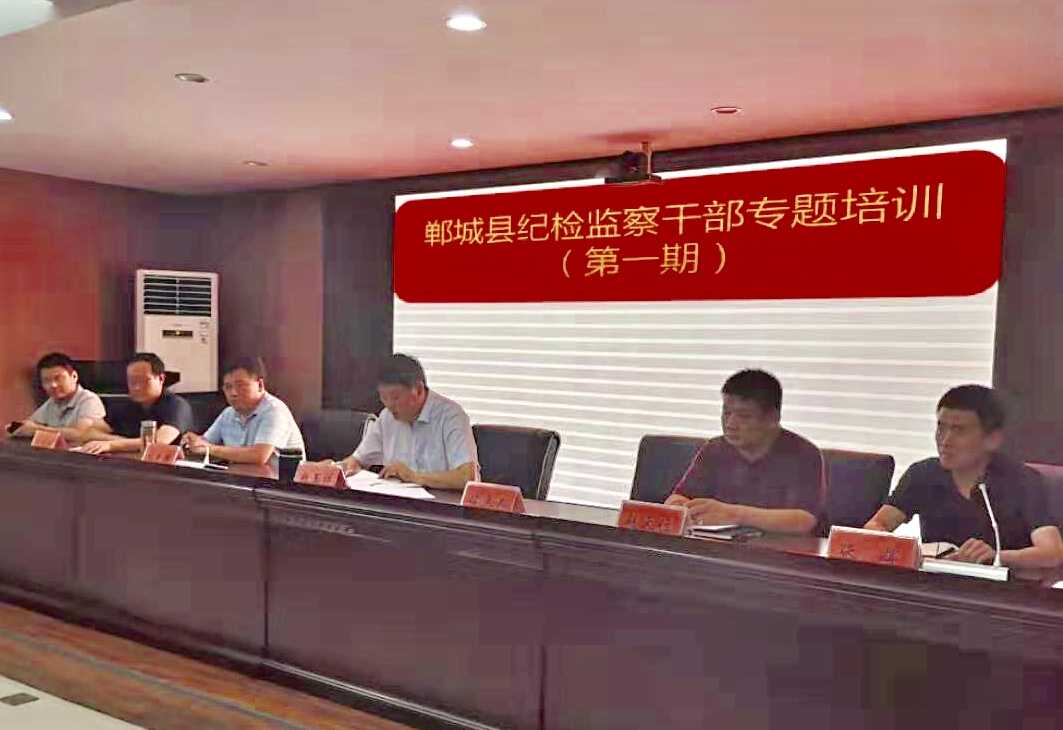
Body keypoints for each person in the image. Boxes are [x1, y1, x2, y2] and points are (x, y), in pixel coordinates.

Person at [864, 385, 1063, 568]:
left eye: (959, 431)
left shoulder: (1023, 481)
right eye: (941, 428)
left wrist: (996, 556)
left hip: (999, 588)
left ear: (992, 439)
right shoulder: (923, 474)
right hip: (936, 583)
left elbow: (1052, 552)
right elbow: (877, 524)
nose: (945, 441)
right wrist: (878, 536)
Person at [664, 369, 824, 534]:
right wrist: (678, 507)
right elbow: (679, 496)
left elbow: (804, 520)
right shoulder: (715, 448)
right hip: (717, 543)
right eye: (726, 413)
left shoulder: (803, 453)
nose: (730, 424)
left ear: (772, 418)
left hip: (779, 548)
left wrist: (734, 514)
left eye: (744, 416)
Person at [330, 354, 479, 490]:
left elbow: (467, 477)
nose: (389, 405)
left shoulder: (451, 416)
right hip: (397, 504)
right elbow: (356, 460)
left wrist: (413, 476)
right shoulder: (386, 417)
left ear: (418, 390)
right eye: (383, 397)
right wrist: (336, 468)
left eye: (395, 397)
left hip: (441, 506)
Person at [181, 357, 304, 466]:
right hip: (242, 479)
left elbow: (259, 456)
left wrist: (210, 448)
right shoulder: (228, 413)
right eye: (228, 387)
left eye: (241, 385)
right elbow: (205, 443)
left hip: (280, 482)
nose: (233, 393)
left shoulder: (274, 411)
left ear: (260, 385)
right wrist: (193, 442)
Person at [78, 353, 193, 453]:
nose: (137, 387)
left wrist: (112, 445)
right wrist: (121, 441)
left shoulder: (176, 405)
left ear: (161, 379)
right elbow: (89, 433)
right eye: (132, 381)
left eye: (143, 381)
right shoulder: (128, 405)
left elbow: (159, 441)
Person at [5, 352, 105, 440]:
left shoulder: (89, 400)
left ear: (74, 376)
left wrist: (36, 430)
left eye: (58, 378)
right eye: (46, 381)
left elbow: (81, 435)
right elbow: (30, 424)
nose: (53, 385)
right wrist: (17, 428)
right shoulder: (52, 402)